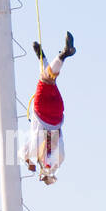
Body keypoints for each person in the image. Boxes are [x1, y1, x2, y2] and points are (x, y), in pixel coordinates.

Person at [19, 32, 76, 185]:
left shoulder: (59, 157)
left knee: (50, 79)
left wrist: (36, 167)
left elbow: (48, 163)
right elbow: (23, 156)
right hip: (42, 111)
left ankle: (44, 57)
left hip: (57, 114)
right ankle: (64, 54)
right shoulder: (33, 152)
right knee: (46, 79)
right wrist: (31, 165)